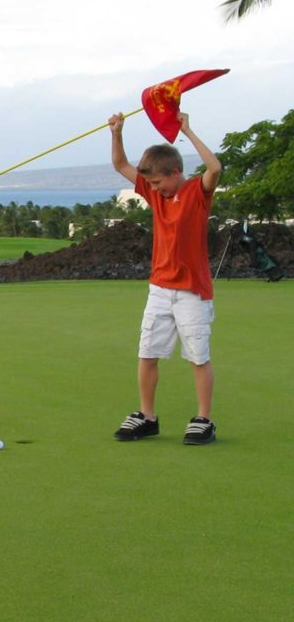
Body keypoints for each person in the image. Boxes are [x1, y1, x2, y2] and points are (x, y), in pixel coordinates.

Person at [107, 111, 222, 445]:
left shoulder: (197, 194)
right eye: (150, 184)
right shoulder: (157, 194)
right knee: (147, 353)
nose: (152, 189)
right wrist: (116, 132)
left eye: (157, 182)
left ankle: (204, 419)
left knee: (198, 356)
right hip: (159, 288)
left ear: (175, 172)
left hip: (192, 292)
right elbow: (120, 165)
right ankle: (147, 416)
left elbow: (214, 169)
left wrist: (187, 129)